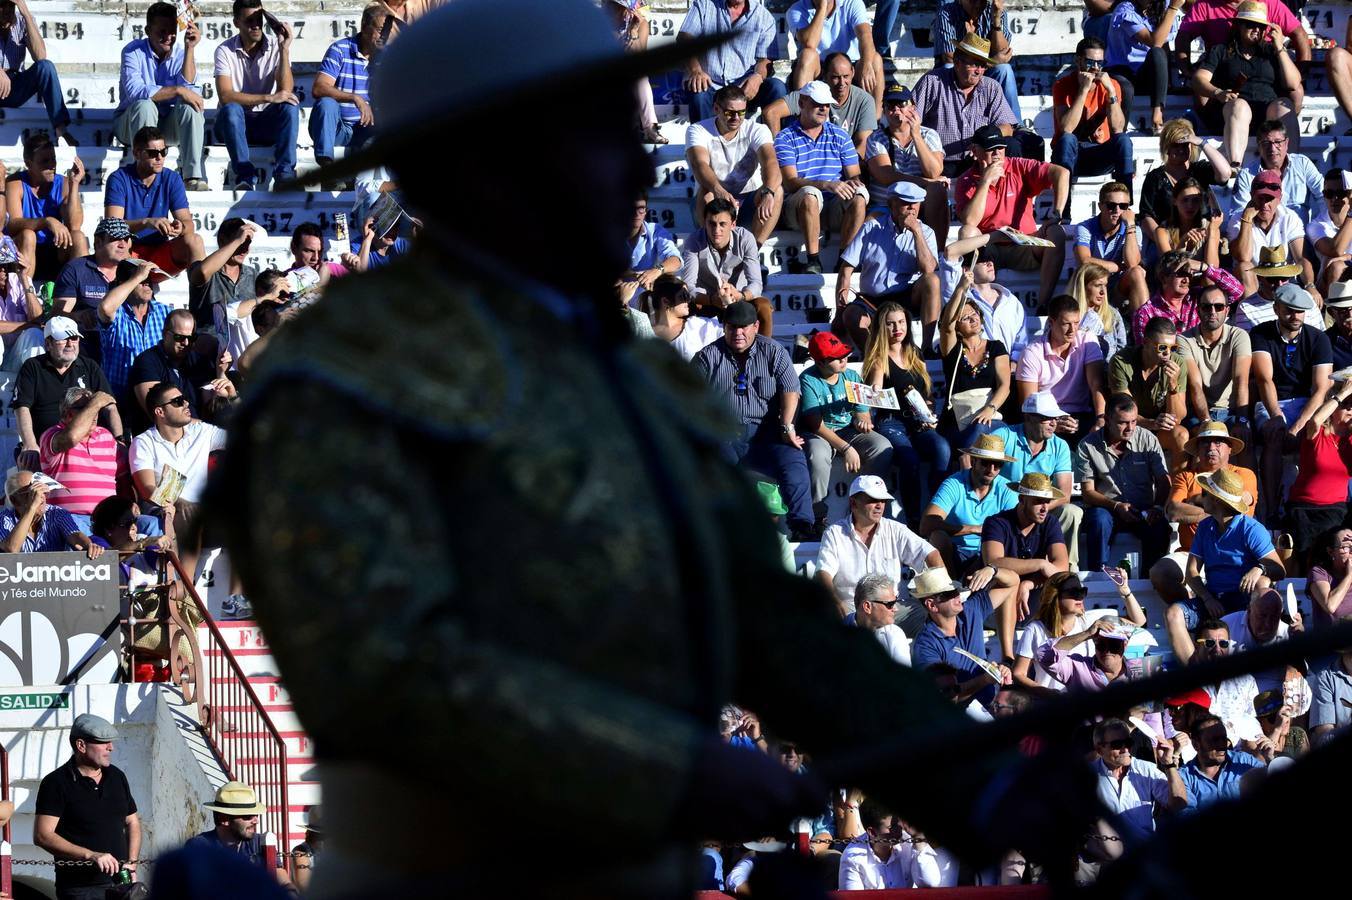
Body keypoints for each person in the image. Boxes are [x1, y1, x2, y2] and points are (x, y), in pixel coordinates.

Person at [220, 4, 1101, 892]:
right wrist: (666, 771)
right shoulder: (340, 387)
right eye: (587, 138)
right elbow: (396, 676)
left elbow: (765, 620)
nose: (635, 164)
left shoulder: (639, 381)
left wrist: (976, 780)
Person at [695, 300, 816, 540]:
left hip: (768, 432)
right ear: (724, 327)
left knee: (794, 459)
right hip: (725, 434)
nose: (738, 333)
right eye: (732, 327)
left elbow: (791, 390)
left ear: (756, 325)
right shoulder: (707, 357)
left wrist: (787, 426)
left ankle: (803, 525)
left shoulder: (773, 351)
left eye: (744, 327)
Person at [1168, 466, 1285, 656]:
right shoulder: (1205, 527)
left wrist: (1259, 568)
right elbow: (1191, 572)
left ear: (1216, 500)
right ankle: (1192, 676)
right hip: (1212, 598)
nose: (1200, 496)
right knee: (1173, 614)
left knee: (1263, 583)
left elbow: (1279, 569)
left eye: (1205, 493)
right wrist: (1208, 599)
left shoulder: (1251, 529)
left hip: (1244, 602)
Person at [955, 125, 1069, 312]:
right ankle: (976, 303)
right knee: (967, 232)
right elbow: (970, 222)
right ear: (975, 151)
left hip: (1023, 244)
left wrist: (1056, 214)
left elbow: (1061, 173)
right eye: (990, 149)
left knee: (1056, 232)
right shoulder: (966, 181)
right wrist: (985, 181)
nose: (997, 153)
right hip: (989, 247)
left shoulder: (1017, 165)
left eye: (1000, 147)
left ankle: (1043, 304)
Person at [130, 381, 230, 595]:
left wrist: (231, 398)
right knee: (186, 508)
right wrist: (176, 501)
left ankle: (240, 597)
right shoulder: (144, 442)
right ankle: (184, 588)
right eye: (177, 401)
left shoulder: (201, 432)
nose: (186, 403)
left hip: (203, 514)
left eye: (184, 399)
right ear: (160, 412)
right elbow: (147, 488)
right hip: (163, 509)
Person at [1150, 421, 1257, 607]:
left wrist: (1194, 502)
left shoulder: (1244, 475)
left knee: (1258, 585)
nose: (1211, 447)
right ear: (1197, 449)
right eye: (1205, 443)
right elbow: (1174, 511)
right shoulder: (1185, 476)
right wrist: (1219, 514)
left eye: (1218, 442)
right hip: (1192, 554)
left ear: (1229, 448)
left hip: (1235, 555)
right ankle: (1193, 609)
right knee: (1160, 572)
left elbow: (1242, 507)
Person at [1250, 283, 1333, 522]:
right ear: (1276, 308)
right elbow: (1265, 380)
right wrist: (1278, 417)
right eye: (1289, 310)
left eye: (1300, 310)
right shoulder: (1261, 333)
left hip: (1306, 401)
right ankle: (1272, 508)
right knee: (1275, 432)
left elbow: (1320, 389)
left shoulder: (1318, 339)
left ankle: (1313, 501)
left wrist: (1297, 426)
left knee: (1317, 432)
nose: (1295, 316)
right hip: (1272, 400)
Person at [34, 714, 141, 899]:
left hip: (121, 883)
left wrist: (132, 863)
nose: (111, 748)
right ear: (81, 746)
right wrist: (91, 855)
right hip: (80, 889)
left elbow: (132, 822)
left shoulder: (117, 776)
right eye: (103, 742)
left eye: (110, 742)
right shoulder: (55, 783)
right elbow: (43, 835)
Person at [862, 302, 950, 523]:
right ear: (882, 327)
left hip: (919, 422)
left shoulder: (915, 352)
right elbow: (874, 393)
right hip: (891, 422)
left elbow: (925, 393)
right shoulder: (879, 357)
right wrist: (874, 385)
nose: (897, 328)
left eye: (901, 322)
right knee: (909, 458)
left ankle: (937, 511)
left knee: (942, 447)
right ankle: (913, 519)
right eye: (890, 324)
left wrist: (928, 411)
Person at [815, 474, 942, 624]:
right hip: (853, 609)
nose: (880, 505)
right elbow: (823, 573)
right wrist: (836, 602)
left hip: (892, 609)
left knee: (933, 614)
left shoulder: (895, 529)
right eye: (873, 500)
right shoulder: (834, 533)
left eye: (883, 500)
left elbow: (931, 554)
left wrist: (941, 592)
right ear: (853, 503)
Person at [1191, 2, 1301, 169]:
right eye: (1251, 25)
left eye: (1261, 26)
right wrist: (1218, 92)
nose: (1257, 29)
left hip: (1266, 112)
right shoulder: (1221, 50)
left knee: (1284, 104)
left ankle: (1291, 167)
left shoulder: (1271, 52)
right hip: (1233, 114)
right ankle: (1235, 166)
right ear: (1238, 26)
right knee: (1239, 106)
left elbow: (1293, 83)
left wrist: (1279, 47)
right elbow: (1199, 79)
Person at [774, 80, 868, 275]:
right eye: (818, 104)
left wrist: (852, 184)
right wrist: (826, 184)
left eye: (826, 104)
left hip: (832, 206)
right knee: (810, 194)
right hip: (799, 207)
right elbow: (790, 183)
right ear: (801, 104)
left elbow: (854, 176)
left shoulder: (841, 135)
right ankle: (813, 260)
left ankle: (844, 260)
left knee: (859, 195)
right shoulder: (785, 137)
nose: (824, 108)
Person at [800, 331, 893, 526]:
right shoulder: (808, 379)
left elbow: (862, 411)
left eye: (844, 354)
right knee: (817, 455)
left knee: (882, 446)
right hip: (821, 433)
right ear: (821, 362)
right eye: (837, 357)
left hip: (847, 430)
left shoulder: (850, 375)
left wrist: (863, 420)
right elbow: (815, 424)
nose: (844, 359)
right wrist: (846, 448)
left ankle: (870, 503)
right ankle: (817, 516)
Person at [836, 181, 939, 351]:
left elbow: (928, 269)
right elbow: (846, 269)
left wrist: (917, 232)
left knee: (932, 280)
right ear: (892, 204)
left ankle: (927, 348)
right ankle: (874, 356)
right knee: (851, 315)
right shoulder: (871, 228)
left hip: (906, 296)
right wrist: (840, 312)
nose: (912, 208)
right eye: (906, 202)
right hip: (872, 299)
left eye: (916, 203)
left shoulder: (926, 232)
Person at [114, 2, 207, 191]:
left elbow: (194, 95)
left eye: (172, 32)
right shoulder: (133, 51)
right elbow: (135, 92)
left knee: (191, 108)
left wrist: (190, 49)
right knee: (145, 106)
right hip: (131, 123)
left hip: (165, 125)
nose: (168, 37)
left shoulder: (181, 54)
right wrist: (177, 90)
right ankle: (143, 172)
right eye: (161, 32)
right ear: (148, 30)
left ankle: (193, 176)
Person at [1076, 393, 1172, 572]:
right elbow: (1088, 492)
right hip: (1107, 508)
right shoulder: (1087, 445)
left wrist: (1157, 508)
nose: (1130, 428)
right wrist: (1116, 506)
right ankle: (1097, 576)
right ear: (1107, 419)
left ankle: (1150, 580)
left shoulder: (1147, 438)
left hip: (1143, 510)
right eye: (1123, 422)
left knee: (1160, 527)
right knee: (1099, 520)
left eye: (1134, 421)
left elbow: (1163, 480)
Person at [213, 0, 301, 190]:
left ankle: (285, 174)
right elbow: (225, 96)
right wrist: (268, 98)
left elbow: (286, 91)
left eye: (259, 19)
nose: (255, 25)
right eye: (249, 21)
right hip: (232, 124)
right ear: (236, 23)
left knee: (290, 106)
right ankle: (245, 176)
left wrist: (284, 49)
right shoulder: (224, 50)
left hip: (264, 122)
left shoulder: (276, 47)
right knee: (231, 109)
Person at [988, 392, 1081, 564]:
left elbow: (1064, 495)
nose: (1054, 423)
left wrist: (1035, 509)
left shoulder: (1060, 445)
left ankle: (1066, 569)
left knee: (1072, 511)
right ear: (1029, 417)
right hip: (1004, 511)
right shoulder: (1004, 436)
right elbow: (973, 460)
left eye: (1056, 417)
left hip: (1040, 508)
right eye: (1047, 418)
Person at [1013, 571, 1144, 695]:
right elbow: (1019, 674)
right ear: (1055, 597)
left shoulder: (1088, 622)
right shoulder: (1036, 629)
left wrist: (1125, 591)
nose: (1080, 597)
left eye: (1082, 592)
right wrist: (1048, 693)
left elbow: (1138, 622)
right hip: (1051, 704)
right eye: (1073, 592)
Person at [12, 317, 122, 463]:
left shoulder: (89, 366)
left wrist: (119, 440)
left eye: (74, 338)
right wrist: (30, 444)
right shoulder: (33, 367)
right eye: (62, 339)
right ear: (48, 344)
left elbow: (110, 406)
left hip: (87, 448)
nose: (70, 344)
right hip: (45, 448)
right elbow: (21, 407)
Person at [684, 84, 783, 244]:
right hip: (715, 199)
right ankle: (714, 249)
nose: (736, 118)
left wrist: (768, 192)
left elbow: (770, 161)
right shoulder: (698, 130)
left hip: (749, 200)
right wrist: (718, 190)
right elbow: (699, 164)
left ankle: (753, 253)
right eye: (730, 112)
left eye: (741, 112)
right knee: (706, 192)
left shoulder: (757, 129)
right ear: (716, 109)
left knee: (776, 190)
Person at [910, 33, 1020, 173]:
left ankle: (1011, 190)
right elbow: (911, 119)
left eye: (982, 66)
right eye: (974, 64)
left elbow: (1007, 126)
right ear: (957, 62)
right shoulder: (932, 81)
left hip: (979, 159)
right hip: (942, 160)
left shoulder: (991, 87)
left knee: (1012, 144)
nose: (979, 71)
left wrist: (982, 140)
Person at [103, 126, 205, 277]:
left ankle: (201, 297)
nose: (160, 157)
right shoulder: (119, 178)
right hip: (128, 252)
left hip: (159, 254)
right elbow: (112, 227)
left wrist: (180, 227)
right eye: (153, 153)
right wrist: (147, 222)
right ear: (137, 153)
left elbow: (188, 224)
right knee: (117, 243)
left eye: (163, 152)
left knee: (194, 240)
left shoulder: (172, 178)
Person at [911, 563, 1019, 704]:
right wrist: (985, 679)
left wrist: (992, 570)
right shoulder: (925, 645)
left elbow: (1012, 582)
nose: (957, 595)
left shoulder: (970, 610)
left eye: (956, 590)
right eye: (949, 594)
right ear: (931, 605)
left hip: (991, 707)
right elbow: (942, 697)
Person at [125, 309, 236, 434]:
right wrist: (209, 430)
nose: (186, 343)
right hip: (160, 442)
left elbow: (216, 405)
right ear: (165, 334)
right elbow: (160, 414)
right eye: (179, 337)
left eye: (191, 337)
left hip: (198, 440)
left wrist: (221, 373)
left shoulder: (199, 361)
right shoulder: (147, 362)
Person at [863, 85, 948, 248]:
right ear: (884, 110)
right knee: (869, 222)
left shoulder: (928, 134)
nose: (896, 110)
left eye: (901, 104)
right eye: (890, 105)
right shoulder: (876, 138)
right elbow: (886, 176)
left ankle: (938, 254)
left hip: (919, 204)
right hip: (886, 204)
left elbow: (934, 171)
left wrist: (915, 135)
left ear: (913, 107)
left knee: (937, 190)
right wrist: (924, 181)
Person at [1015, 294, 1107, 445]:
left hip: (1082, 415)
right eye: (1066, 324)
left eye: (1076, 323)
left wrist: (1101, 418)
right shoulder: (1032, 352)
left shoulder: (1087, 340)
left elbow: (1096, 384)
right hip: (1045, 417)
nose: (1073, 330)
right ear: (1052, 322)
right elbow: (1028, 404)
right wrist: (1054, 423)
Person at [921, 433, 1018, 576]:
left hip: (989, 554)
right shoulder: (954, 483)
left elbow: (1015, 529)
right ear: (973, 461)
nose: (991, 470)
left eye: (997, 465)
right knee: (938, 537)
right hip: (954, 551)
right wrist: (973, 529)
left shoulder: (1006, 489)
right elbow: (926, 525)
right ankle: (949, 586)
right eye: (985, 462)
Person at [677, 0, 785, 123]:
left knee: (776, 87)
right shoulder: (704, 5)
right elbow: (684, 39)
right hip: (709, 84)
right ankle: (702, 141)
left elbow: (766, 59)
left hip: (744, 87)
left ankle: (777, 140)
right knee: (698, 91)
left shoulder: (764, 16)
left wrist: (758, 76)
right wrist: (696, 70)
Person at [1052, 39, 1134, 200]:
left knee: (1123, 140)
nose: (1095, 68)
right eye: (1090, 62)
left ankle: (1126, 205)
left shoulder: (1111, 85)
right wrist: (1083, 90)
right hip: (1068, 156)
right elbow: (1066, 128)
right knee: (1067, 139)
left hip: (1098, 153)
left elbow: (1118, 128)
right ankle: (1063, 214)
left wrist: (1111, 91)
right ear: (1078, 60)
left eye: (1100, 62)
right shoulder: (1062, 85)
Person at [1283, 376, 1352, 567]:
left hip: (1336, 510)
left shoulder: (1350, 441)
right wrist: (1342, 393)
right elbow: (1316, 419)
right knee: (1307, 560)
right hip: (1304, 509)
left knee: (1333, 560)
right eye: (1345, 405)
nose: (1350, 409)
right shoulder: (1316, 432)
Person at [309, 3, 387, 171]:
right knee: (326, 104)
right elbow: (319, 88)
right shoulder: (340, 49)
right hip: (338, 129)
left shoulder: (387, 57)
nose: (384, 36)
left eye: (387, 30)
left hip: (366, 130)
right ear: (365, 27)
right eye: (381, 29)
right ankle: (328, 170)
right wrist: (355, 98)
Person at [37, 387, 125, 533]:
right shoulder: (52, 435)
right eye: (86, 407)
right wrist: (96, 403)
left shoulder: (106, 436)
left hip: (109, 520)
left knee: (151, 524)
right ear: (67, 413)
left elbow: (124, 478)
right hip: (68, 518)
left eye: (96, 407)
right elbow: (71, 437)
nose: (94, 413)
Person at [1138, 118, 1232, 255]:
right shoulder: (1155, 177)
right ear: (1166, 147)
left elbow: (1225, 174)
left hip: (1202, 240)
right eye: (1176, 145)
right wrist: (1166, 243)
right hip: (1166, 242)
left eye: (1185, 145)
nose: (1181, 149)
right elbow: (1146, 216)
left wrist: (1201, 142)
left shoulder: (1199, 170)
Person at [936, 280, 1010, 451]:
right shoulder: (953, 349)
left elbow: (1005, 385)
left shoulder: (995, 347)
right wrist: (960, 289)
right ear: (957, 326)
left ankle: (967, 462)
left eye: (975, 313)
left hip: (989, 416)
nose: (973, 318)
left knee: (980, 427)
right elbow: (947, 326)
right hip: (956, 420)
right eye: (965, 317)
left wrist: (989, 409)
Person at [981, 472, 1069, 618]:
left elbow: (1061, 570)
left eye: (1047, 501)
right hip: (999, 593)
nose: (1044, 508)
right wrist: (1040, 564)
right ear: (1022, 499)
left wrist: (1029, 583)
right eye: (1038, 501)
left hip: (1031, 592)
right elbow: (993, 563)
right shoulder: (996, 523)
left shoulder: (1050, 522)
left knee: (1066, 590)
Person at [1090, 717, 1187, 849]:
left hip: (1142, 853)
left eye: (1129, 743)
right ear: (1100, 749)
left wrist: (1168, 763)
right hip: (1100, 855)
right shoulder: (1086, 775)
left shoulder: (1147, 769)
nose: (1125, 750)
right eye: (1117, 745)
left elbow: (1178, 804)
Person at [679, 198, 772, 334]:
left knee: (763, 306)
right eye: (712, 223)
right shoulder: (694, 241)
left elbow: (756, 284)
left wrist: (739, 295)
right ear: (704, 223)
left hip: (739, 299)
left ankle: (765, 353)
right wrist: (712, 299)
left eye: (722, 224)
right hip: (707, 301)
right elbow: (688, 286)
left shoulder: (746, 239)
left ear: (733, 224)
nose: (717, 230)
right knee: (683, 305)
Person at [4, 133, 86, 280]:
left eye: (53, 159)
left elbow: (74, 225)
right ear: (28, 164)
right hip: (24, 251)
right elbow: (12, 225)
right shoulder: (15, 183)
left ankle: (82, 298)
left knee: (78, 237)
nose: (52, 165)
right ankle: (25, 297)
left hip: (55, 249)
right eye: (44, 161)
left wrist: (74, 185)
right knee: (28, 235)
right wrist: (46, 221)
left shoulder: (64, 184)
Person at [1177, 283, 1253, 440]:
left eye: (1218, 307)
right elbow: (1195, 385)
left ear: (1227, 310)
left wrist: (1241, 420)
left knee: (1246, 440)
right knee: (1203, 441)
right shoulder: (1184, 340)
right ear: (1198, 310)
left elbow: (1241, 381)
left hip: (1231, 411)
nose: (1212, 312)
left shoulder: (1239, 336)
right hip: (1198, 413)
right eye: (1206, 307)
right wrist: (1206, 422)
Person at [1108, 316, 1190, 459]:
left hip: (1160, 429)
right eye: (1162, 347)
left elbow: (1177, 418)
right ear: (1145, 342)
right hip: (1129, 426)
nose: (1168, 353)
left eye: (1173, 348)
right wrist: (1151, 424)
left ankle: (1178, 481)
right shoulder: (1121, 362)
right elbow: (1122, 412)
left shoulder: (1177, 363)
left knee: (1181, 435)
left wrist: (1172, 385)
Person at [765, 52, 876, 157]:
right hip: (808, 160)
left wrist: (845, 167)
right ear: (825, 75)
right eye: (835, 77)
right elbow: (771, 112)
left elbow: (862, 144)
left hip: (845, 162)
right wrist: (780, 153)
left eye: (846, 76)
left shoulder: (864, 101)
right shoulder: (812, 92)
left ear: (853, 72)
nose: (842, 83)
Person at [186, 782, 294, 889]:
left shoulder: (259, 843)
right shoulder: (199, 847)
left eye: (255, 814)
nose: (256, 821)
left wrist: (290, 891)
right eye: (248, 816)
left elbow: (281, 876)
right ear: (224, 819)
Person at [940, 234, 1028, 365]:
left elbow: (1021, 343)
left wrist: (1012, 365)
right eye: (983, 259)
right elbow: (950, 252)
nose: (990, 262)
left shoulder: (1012, 301)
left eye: (991, 259)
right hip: (975, 372)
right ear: (966, 269)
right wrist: (994, 236)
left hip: (1009, 374)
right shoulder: (961, 298)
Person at [1230, 170, 1315, 305]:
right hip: (1254, 283)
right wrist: (1246, 219)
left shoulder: (1290, 217)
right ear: (1251, 196)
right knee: (1244, 267)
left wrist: (1310, 286)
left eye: (1269, 199)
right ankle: (1253, 312)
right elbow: (1243, 257)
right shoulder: (1238, 219)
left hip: (1283, 280)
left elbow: (1300, 258)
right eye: (1260, 198)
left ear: (1279, 198)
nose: (1264, 205)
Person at [785, 0, 883, 115]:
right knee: (807, 55)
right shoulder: (796, 10)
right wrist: (822, 9)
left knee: (874, 59)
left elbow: (865, 35)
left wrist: (867, 64)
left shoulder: (852, 3)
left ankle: (876, 121)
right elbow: (810, 43)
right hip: (819, 68)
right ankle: (802, 117)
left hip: (849, 65)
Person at [931, 0, 1023, 121]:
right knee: (948, 67)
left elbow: (1003, 51)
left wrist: (996, 21)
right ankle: (952, 119)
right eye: (972, 1)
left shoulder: (997, 12)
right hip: (956, 72)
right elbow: (950, 57)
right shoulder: (946, 13)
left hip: (983, 73)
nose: (978, 4)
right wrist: (990, 62)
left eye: (982, 1)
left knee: (1004, 70)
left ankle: (1015, 124)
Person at [0, 0, 75, 144]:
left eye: (11, 5)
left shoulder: (23, 21)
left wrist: (26, 15)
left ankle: (61, 131)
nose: (7, 10)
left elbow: (40, 56)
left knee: (45, 67)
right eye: (2, 5)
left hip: (14, 87)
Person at [96, 260, 172, 400]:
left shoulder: (165, 312)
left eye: (149, 279)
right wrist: (137, 276)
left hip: (156, 395)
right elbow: (105, 308)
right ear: (123, 283)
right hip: (120, 396)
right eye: (142, 279)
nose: (147, 283)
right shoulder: (117, 312)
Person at [53, 218, 133, 346]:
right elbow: (56, 316)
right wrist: (77, 316)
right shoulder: (75, 269)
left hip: (126, 342)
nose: (123, 244)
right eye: (115, 239)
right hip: (87, 344)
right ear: (98, 242)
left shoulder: (134, 272)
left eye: (126, 239)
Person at [1134, 250, 1243, 345]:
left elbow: (1237, 291)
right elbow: (1145, 351)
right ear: (1163, 278)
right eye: (1180, 274)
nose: (1186, 280)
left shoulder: (1199, 298)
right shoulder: (1146, 313)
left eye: (1189, 274)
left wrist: (1204, 267)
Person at [1072, 181, 1148, 314]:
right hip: (1090, 287)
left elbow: (1132, 264)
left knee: (1137, 272)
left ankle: (1141, 328)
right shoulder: (1084, 228)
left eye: (1123, 206)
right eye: (1111, 205)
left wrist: (1130, 224)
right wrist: (1117, 267)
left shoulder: (1134, 230)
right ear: (1100, 206)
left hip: (1117, 289)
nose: (1117, 211)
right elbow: (1084, 261)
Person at [1229, 119, 1323, 224]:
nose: (1272, 148)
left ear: (1286, 143)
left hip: (1299, 235)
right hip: (1262, 234)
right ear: (1259, 146)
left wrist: (1320, 226)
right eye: (1266, 143)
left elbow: (1323, 195)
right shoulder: (1246, 175)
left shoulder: (1302, 164)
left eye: (1278, 142)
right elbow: (1237, 214)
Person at [1103, 0, 1174, 134]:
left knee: (1157, 53)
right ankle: (1119, 133)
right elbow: (1154, 41)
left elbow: (1163, 46)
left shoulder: (1163, 7)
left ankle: (1157, 116)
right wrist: (1173, 10)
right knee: (1126, 89)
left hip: (1146, 72)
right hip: (1121, 69)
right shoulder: (1124, 9)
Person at [0, 469, 102, 557]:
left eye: (42, 489)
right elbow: (11, 550)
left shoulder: (56, 513)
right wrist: (31, 508)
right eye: (32, 492)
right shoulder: (5, 519)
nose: (41, 496)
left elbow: (75, 535)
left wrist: (88, 545)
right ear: (15, 500)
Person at [186, 218, 259, 339]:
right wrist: (237, 241)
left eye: (248, 243)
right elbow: (203, 272)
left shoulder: (253, 275)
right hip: (209, 348)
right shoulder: (207, 269)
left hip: (244, 348)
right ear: (222, 240)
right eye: (241, 243)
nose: (245, 249)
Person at [1178, 713, 1266, 808]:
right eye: (1215, 740)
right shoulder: (1184, 777)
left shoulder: (1244, 761)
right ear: (1196, 745)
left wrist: (1269, 759)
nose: (1222, 744)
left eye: (1224, 738)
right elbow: (1186, 814)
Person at [1221, 588, 1300, 693]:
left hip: (1274, 700)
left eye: (1274, 617)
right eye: (1262, 616)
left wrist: (1299, 640)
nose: (1267, 624)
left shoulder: (1288, 634)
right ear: (1249, 610)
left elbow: (1298, 677)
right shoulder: (1227, 626)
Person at [1233, 244, 1325, 332]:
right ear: (1260, 278)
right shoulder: (1246, 308)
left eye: (1284, 278)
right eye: (1273, 279)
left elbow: (1319, 335)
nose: (1279, 284)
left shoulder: (1306, 297)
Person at [1039, 616, 1135, 692]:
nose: (1107, 650)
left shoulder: (1139, 670)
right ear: (1094, 643)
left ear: (1125, 645)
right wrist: (1087, 633)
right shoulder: (1076, 668)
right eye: (1101, 644)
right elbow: (1043, 655)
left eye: (1114, 645)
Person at [643, 275, 722, 361]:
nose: (688, 300)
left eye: (688, 296)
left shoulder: (696, 325)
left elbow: (728, 333)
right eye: (684, 296)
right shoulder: (645, 333)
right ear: (665, 301)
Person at [1154, 177, 1222, 269]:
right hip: (1177, 280)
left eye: (1195, 200)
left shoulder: (1210, 227)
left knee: (1209, 279)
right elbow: (1170, 268)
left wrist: (1212, 232)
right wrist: (1182, 242)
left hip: (1203, 280)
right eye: (1185, 200)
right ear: (1174, 201)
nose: (1190, 206)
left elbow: (1213, 269)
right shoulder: (1162, 231)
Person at [837, 799, 906, 890]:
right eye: (891, 827)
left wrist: (920, 844)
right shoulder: (852, 857)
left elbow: (929, 883)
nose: (899, 829)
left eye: (898, 824)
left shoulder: (910, 843)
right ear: (872, 832)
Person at [852, 573, 912, 666]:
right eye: (890, 604)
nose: (896, 608)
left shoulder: (894, 634)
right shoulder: (837, 635)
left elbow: (905, 679)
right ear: (867, 607)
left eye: (895, 602)